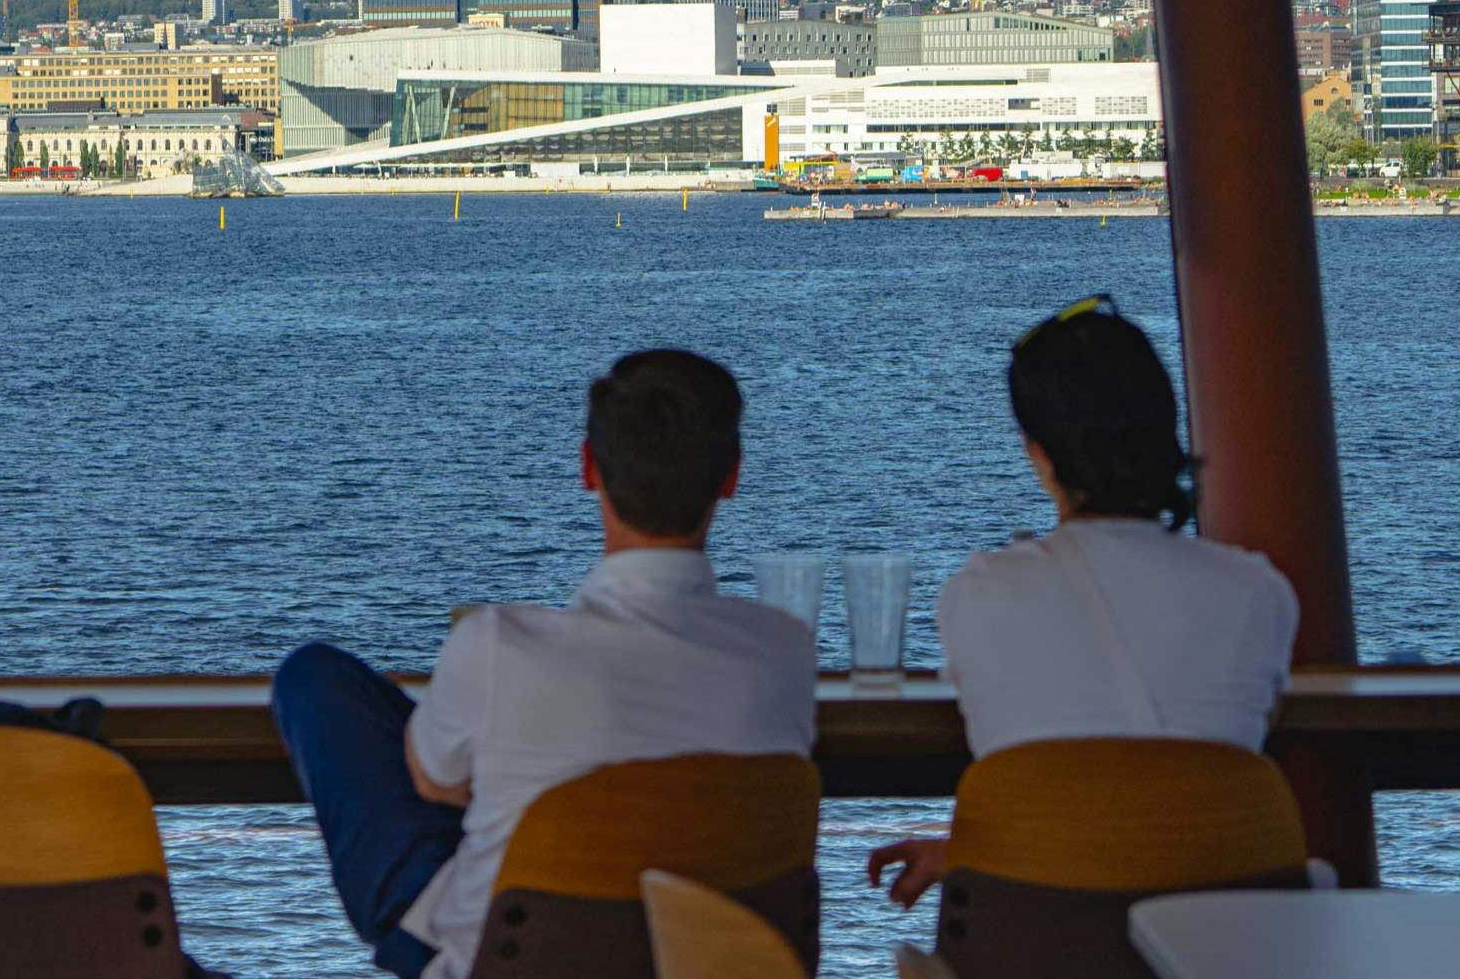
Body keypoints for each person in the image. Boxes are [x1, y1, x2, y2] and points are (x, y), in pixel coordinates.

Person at [271, 350, 817, 979]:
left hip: (505, 958)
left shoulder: (498, 644)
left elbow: (434, 784)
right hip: (706, 957)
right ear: (732, 476)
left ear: (589, 469)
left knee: (315, 678)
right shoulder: (785, 650)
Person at [869, 295, 1299, 908]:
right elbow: (1163, 809)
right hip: (1221, 951)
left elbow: (1072, 791)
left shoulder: (979, 594)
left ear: (1040, 455)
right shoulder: (1259, 594)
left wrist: (979, 852)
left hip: (1039, 944)